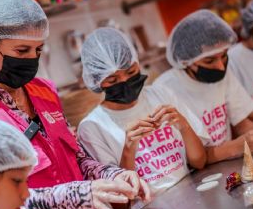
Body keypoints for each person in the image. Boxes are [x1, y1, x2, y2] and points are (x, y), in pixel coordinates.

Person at [0, 0, 149, 209]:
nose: (32, 59)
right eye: (22, 50)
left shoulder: (44, 91)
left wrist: (113, 175)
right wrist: (77, 196)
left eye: (38, 49)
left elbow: (77, 159)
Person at [77, 28, 208, 195]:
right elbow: (120, 199)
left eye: (131, 72)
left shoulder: (161, 93)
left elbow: (199, 162)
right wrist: (129, 149)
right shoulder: (92, 127)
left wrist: (183, 125)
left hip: (191, 193)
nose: (125, 81)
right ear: (97, 81)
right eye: (112, 79)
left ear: (137, 62)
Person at [154, 10, 253, 164]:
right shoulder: (165, 90)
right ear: (185, 62)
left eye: (223, 55)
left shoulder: (223, 74)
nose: (221, 67)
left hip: (230, 163)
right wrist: (239, 146)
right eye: (209, 61)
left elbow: (241, 123)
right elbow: (192, 160)